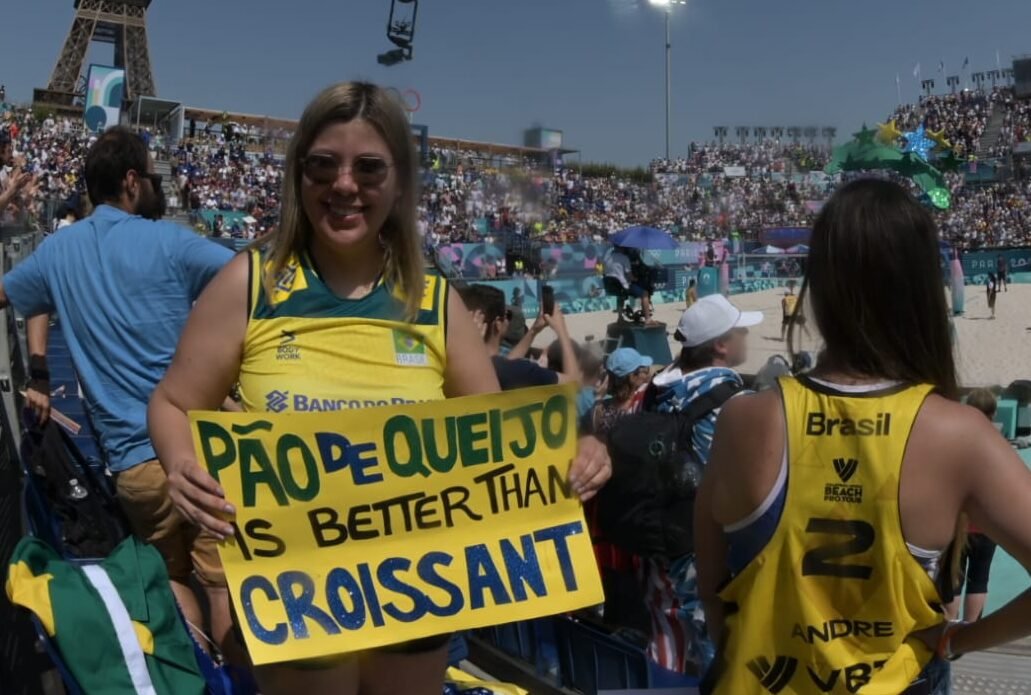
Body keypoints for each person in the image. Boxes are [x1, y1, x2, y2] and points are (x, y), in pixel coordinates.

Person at [147, 83, 610, 695]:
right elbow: (174, 402)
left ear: (398, 184)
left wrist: (579, 450)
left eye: (369, 167)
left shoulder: (435, 303)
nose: (344, 185)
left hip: (417, 586)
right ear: (298, 175)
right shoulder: (251, 283)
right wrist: (181, 464)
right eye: (322, 164)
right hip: (297, 588)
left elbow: (505, 436)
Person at [695, 179, 1031, 695]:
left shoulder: (744, 419)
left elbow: (716, 595)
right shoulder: (957, 433)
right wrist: (959, 639)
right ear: (922, 288)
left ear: (820, 288)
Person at [0, 126, 238, 658]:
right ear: (131, 181)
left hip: (135, 463)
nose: (155, 186)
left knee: (172, 576)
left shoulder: (59, 250)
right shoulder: (170, 240)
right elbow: (251, 284)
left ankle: (197, 673)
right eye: (151, 176)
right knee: (222, 583)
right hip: (203, 445)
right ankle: (237, 677)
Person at [460, 283, 580, 390]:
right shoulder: (522, 371)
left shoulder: (459, 369)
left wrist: (534, 330)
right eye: (507, 315)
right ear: (497, 324)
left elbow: (505, 365)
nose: (508, 320)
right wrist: (561, 328)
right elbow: (574, 383)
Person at [947, 387, 999, 623]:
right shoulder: (999, 446)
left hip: (959, 522)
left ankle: (947, 628)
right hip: (986, 524)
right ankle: (970, 631)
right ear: (994, 413)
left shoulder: (956, 440)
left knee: (953, 577)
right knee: (980, 578)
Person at [586, 347, 652, 440]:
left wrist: (599, 398)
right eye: (643, 371)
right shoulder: (642, 406)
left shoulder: (601, 409)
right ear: (632, 377)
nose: (646, 375)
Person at [604, 246, 654, 324]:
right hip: (623, 285)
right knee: (645, 293)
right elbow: (629, 276)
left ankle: (620, 318)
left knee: (620, 294)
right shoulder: (624, 258)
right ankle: (648, 319)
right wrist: (636, 279)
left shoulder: (607, 258)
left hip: (612, 286)